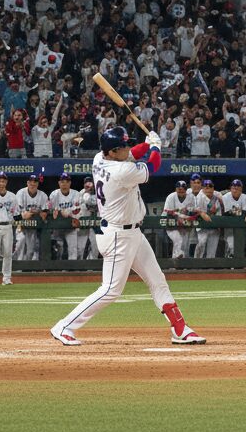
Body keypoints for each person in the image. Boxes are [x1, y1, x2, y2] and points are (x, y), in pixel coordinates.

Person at [49, 125, 204, 346]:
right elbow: (153, 165)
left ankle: (180, 328)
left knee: (157, 279)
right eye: (123, 146)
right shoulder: (122, 172)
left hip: (132, 233)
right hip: (117, 236)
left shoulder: (99, 158)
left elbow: (134, 153)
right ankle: (64, 326)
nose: (128, 148)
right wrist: (156, 147)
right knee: (111, 290)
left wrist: (147, 144)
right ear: (112, 152)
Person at [14, 174, 49, 261]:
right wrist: (36, 212)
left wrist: (34, 212)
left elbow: (45, 213)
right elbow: (19, 213)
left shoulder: (43, 195)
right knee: (20, 242)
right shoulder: (20, 193)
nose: (33, 184)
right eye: (31, 181)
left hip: (32, 226)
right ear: (27, 183)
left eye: (35, 182)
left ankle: (26, 269)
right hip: (20, 223)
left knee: (30, 251)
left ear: (38, 184)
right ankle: (15, 265)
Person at [48, 173, 83, 259]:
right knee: (59, 248)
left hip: (71, 226)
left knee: (73, 249)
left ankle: (72, 270)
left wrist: (68, 211)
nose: (64, 184)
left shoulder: (76, 194)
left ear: (70, 183)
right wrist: (56, 211)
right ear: (59, 183)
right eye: (62, 181)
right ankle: (57, 269)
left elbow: (77, 210)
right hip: (57, 227)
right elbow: (50, 210)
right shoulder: (54, 194)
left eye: (67, 181)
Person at [162, 179, 197, 261]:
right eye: (178, 188)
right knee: (178, 239)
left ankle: (179, 265)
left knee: (184, 245)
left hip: (184, 224)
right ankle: (176, 260)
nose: (180, 190)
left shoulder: (191, 197)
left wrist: (187, 215)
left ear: (186, 190)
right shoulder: (171, 197)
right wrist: (179, 215)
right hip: (170, 224)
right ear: (176, 189)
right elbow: (167, 212)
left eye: (182, 189)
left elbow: (192, 211)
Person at [193, 178, 224, 258]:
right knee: (201, 243)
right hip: (202, 226)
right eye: (206, 187)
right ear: (202, 188)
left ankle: (210, 268)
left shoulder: (217, 197)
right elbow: (196, 210)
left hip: (214, 226)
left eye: (210, 186)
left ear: (213, 188)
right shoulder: (199, 197)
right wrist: (202, 213)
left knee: (212, 250)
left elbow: (220, 213)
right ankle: (196, 263)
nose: (208, 188)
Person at [220, 179, 246, 258]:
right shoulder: (225, 197)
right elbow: (226, 213)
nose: (235, 189)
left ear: (241, 189)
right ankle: (228, 264)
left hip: (241, 227)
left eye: (238, 187)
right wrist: (239, 212)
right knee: (230, 245)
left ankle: (238, 265)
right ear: (231, 188)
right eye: (234, 187)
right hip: (229, 226)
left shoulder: (245, 197)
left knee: (243, 245)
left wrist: (234, 212)